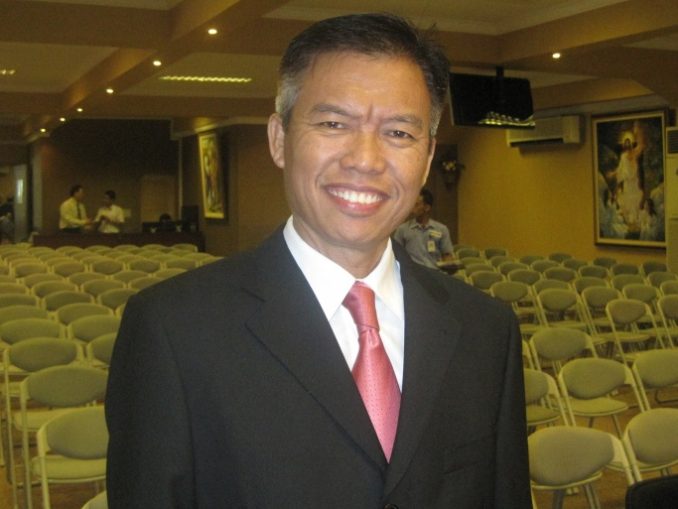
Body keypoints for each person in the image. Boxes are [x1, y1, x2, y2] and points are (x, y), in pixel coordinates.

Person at [106, 13, 530, 509]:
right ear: (279, 140)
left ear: (428, 157)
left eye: (399, 133)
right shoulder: (173, 331)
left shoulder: (486, 330)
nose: (366, 160)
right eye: (333, 124)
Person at [393, 188, 455, 269]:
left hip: (435, 272)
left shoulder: (441, 229)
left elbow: (447, 255)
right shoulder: (403, 230)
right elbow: (395, 254)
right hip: (413, 273)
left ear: (427, 208)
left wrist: (449, 266)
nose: (412, 208)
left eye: (416, 205)